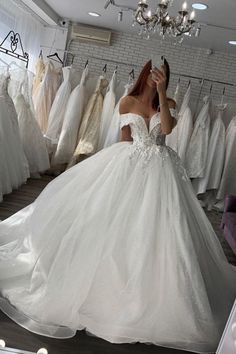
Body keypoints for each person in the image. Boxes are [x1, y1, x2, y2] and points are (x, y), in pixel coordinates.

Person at [0, 59, 235, 354]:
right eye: (151, 73)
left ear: (165, 77)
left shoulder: (169, 102)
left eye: (160, 75)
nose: (154, 77)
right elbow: (125, 140)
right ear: (144, 74)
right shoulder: (126, 101)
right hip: (130, 165)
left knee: (161, 230)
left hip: (162, 171)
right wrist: (126, 166)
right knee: (113, 224)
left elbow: (166, 129)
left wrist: (162, 93)